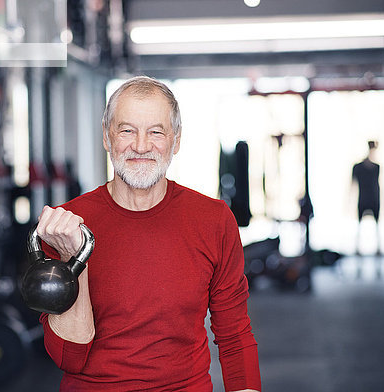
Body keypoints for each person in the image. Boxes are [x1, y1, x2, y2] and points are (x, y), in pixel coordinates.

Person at [35, 76, 261, 391]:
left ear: (176, 140)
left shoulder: (213, 220)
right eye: (127, 130)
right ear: (106, 136)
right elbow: (69, 357)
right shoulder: (66, 227)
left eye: (156, 132)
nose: (141, 146)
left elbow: (234, 334)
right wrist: (75, 257)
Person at [352, 140, 381, 256]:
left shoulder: (376, 167)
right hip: (363, 199)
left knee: (376, 226)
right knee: (360, 225)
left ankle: (378, 248)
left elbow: (377, 186)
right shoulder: (358, 167)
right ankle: (358, 248)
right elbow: (352, 185)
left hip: (373, 199)